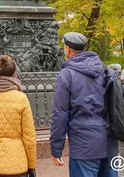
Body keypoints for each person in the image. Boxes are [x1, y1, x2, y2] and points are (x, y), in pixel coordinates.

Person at [50, 32, 118, 176]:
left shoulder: (66, 74)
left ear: (68, 49)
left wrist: (56, 148)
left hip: (83, 147)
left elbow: (60, 113)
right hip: (109, 143)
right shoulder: (108, 71)